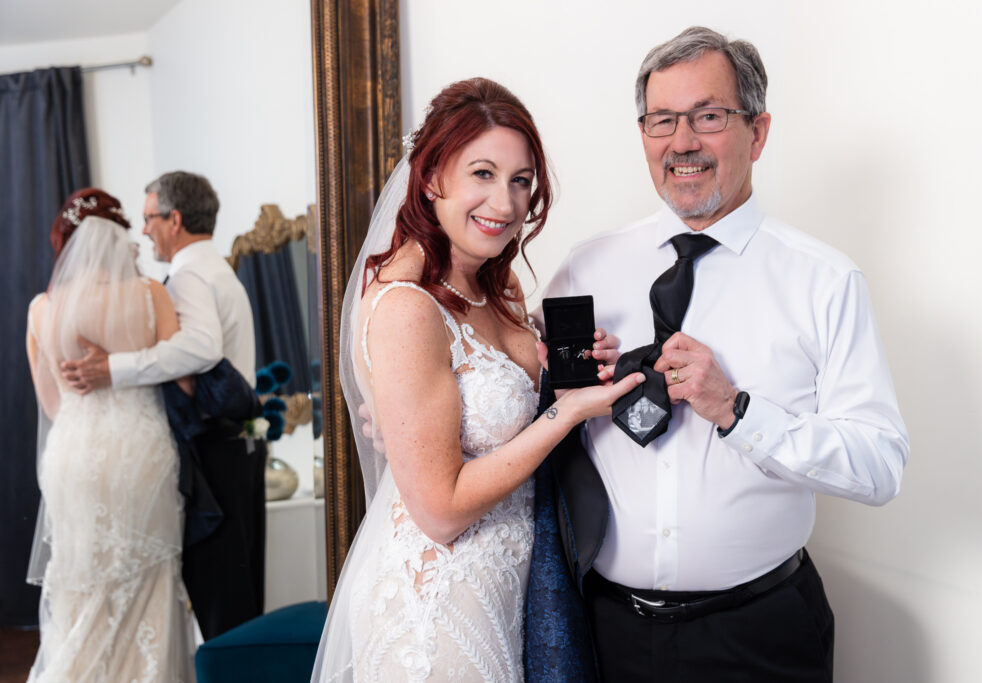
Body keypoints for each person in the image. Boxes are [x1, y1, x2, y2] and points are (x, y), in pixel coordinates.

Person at [537, 27, 910, 680]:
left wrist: (736, 408)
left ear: (758, 132)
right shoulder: (583, 271)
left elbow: (879, 465)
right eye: (662, 120)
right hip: (605, 633)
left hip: (761, 635)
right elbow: (539, 429)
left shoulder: (825, 281)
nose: (682, 142)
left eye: (708, 116)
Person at [311, 77, 642, 682]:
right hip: (439, 606)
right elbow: (439, 510)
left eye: (520, 181)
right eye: (483, 174)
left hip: (513, 585)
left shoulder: (498, 284)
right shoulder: (407, 307)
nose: (507, 204)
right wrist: (564, 414)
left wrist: (559, 365)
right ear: (433, 177)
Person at [59, 171, 263, 639]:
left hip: (215, 453)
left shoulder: (189, 275)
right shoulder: (214, 268)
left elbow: (201, 348)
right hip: (234, 451)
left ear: (174, 219)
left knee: (222, 607)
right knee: (236, 599)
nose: (144, 228)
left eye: (149, 217)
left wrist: (113, 369)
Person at [25, 188, 195, 681]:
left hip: (73, 454)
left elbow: (51, 403)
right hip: (138, 450)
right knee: (147, 580)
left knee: (81, 583)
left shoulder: (42, 309)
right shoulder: (150, 294)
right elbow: (182, 379)